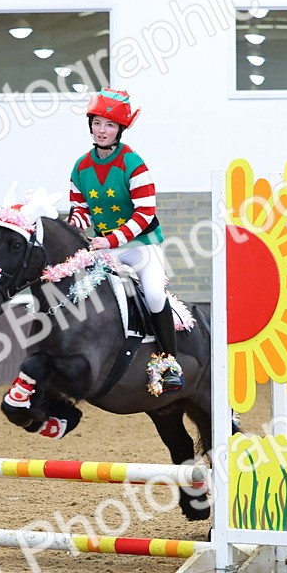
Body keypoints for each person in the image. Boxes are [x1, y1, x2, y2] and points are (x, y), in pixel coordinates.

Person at [66, 87, 183, 394]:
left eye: (109, 125)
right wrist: (75, 224)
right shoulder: (80, 167)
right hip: (105, 248)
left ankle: (169, 363)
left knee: (154, 295)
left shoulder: (134, 164)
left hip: (141, 246)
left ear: (119, 129)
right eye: (97, 123)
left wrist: (111, 240)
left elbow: (145, 213)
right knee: (78, 290)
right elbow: (81, 209)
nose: (102, 130)